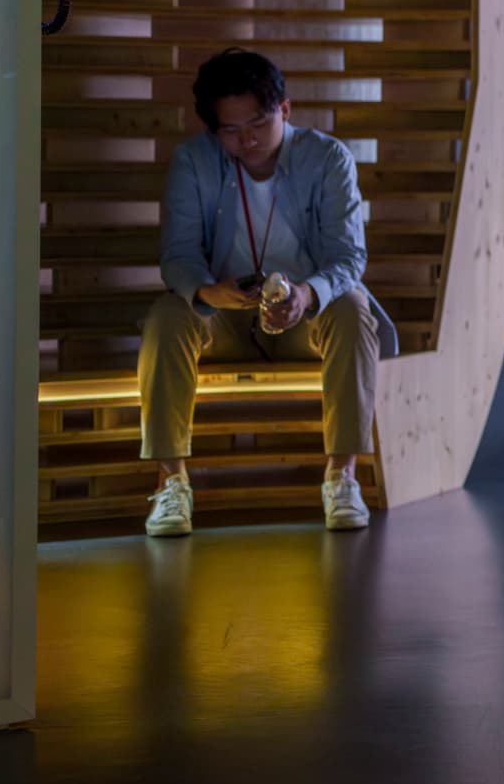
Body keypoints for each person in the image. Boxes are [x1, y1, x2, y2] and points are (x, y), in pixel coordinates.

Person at [140, 48, 395, 537]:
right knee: (166, 317)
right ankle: (172, 485)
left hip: (306, 314)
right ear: (213, 128)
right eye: (230, 129)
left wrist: (306, 293)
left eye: (258, 122)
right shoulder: (195, 161)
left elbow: (348, 258)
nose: (247, 139)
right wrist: (209, 293)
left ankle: (341, 477)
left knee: (353, 308)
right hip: (225, 314)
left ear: (285, 109)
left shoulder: (327, 157)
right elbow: (177, 257)